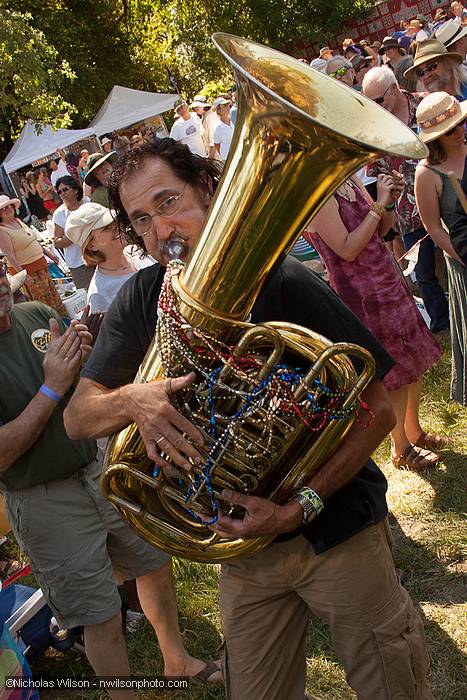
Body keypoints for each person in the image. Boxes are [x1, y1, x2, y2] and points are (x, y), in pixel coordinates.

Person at [64, 138, 434, 700]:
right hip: (241, 547)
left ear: (208, 191)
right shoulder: (142, 299)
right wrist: (133, 400)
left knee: (391, 682)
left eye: (169, 203)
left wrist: (294, 508)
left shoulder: (283, 281)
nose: (160, 230)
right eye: (141, 219)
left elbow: (378, 410)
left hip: (336, 530)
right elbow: (78, 416)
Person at [0, 264, 221, 696]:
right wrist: (51, 388)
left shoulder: (34, 313)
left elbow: (82, 390)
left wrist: (85, 353)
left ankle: (177, 661)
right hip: (44, 500)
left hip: (97, 468)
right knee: (99, 615)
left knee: (154, 561)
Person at [305, 170, 445, 469]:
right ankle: (401, 449)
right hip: (363, 297)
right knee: (393, 371)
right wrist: (379, 204)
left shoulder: (349, 180)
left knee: (412, 361)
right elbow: (347, 248)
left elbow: (380, 230)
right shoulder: (316, 194)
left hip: (387, 281)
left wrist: (390, 202)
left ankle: (414, 432)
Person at [363, 66, 450, 333]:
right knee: (423, 274)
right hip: (408, 212)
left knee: (458, 257)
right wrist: (385, 187)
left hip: (444, 199)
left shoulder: (425, 103)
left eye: (377, 100)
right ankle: (442, 323)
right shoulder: (375, 127)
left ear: (393, 89)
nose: (375, 106)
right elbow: (373, 171)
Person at [414, 92, 467, 405]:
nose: (459, 131)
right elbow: (433, 228)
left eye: (460, 123)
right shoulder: (427, 174)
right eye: (450, 130)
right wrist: (461, 256)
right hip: (462, 256)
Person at [65, 202, 154, 312]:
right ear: (91, 245)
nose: (117, 227)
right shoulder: (99, 295)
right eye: (107, 227)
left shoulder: (137, 251)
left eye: (114, 222)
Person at [0, 195, 67, 316]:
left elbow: (32, 240)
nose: (7, 210)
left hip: (40, 265)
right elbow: (9, 255)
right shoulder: (2, 230)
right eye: (3, 209)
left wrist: (49, 254)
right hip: (28, 271)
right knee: (42, 303)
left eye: (9, 206)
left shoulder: (18, 221)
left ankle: (63, 321)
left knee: (53, 297)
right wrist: (23, 275)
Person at [52, 176, 95, 290]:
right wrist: (72, 235)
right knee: (88, 293)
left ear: (75, 189)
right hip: (78, 263)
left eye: (65, 189)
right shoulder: (59, 214)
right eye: (59, 191)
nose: (62, 193)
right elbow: (57, 242)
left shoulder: (87, 202)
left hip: (97, 253)